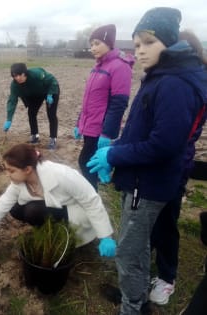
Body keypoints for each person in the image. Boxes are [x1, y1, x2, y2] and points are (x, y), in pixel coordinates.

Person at [86, 7, 207, 315]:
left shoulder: (174, 83)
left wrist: (114, 154)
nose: (139, 51)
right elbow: (142, 129)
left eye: (147, 43)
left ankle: (132, 307)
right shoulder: (161, 76)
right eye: (136, 44)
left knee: (129, 250)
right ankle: (135, 296)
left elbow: (164, 143)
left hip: (148, 185)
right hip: (143, 180)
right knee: (136, 245)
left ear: (167, 42)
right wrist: (114, 147)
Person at [0, 143, 117, 259]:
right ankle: (49, 228)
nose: (7, 175)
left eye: (11, 171)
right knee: (15, 208)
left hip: (77, 214)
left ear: (27, 169)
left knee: (32, 210)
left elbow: (91, 200)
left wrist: (105, 236)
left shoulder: (62, 175)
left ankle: (64, 233)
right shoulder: (19, 182)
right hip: (54, 210)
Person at [149, 29, 207, 306]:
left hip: (173, 166)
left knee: (166, 222)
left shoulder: (187, 84)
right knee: (152, 221)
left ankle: (167, 278)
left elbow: (173, 138)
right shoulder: (168, 78)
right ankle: (148, 260)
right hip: (160, 164)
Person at [73, 24, 134, 191]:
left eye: (97, 43)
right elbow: (89, 99)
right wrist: (79, 123)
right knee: (90, 164)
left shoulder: (120, 66)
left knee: (86, 163)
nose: (93, 48)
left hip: (101, 129)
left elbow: (119, 103)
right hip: (90, 125)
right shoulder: (98, 66)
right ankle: (93, 193)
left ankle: (91, 200)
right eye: (91, 44)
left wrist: (107, 133)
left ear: (109, 43)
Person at [2, 63, 60, 150]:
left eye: (20, 75)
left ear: (25, 73)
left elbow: (52, 80)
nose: (18, 78)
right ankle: (35, 136)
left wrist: (50, 93)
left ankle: (53, 139)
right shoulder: (15, 85)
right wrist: (9, 119)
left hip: (50, 90)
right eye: (15, 76)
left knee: (51, 114)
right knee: (31, 113)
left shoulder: (36, 74)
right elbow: (12, 101)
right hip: (36, 94)